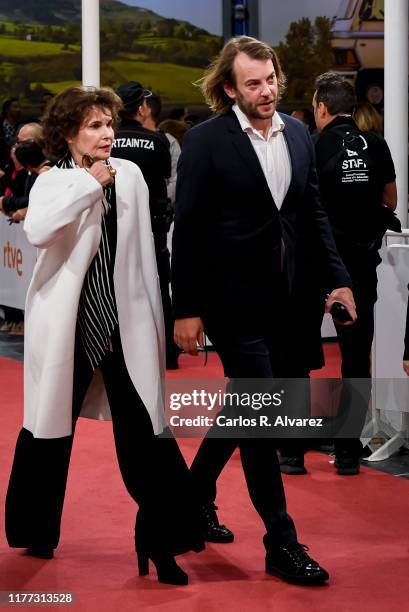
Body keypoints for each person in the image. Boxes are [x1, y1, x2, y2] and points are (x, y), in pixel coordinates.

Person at [171, 36, 356, 586]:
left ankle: (192, 497)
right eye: (253, 83)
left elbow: (311, 213)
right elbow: (190, 231)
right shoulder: (206, 142)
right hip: (231, 301)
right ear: (230, 89)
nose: (266, 90)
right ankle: (281, 541)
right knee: (263, 411)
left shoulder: (300, 133)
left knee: (247, 408)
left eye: (270, 79)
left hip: (289, 299)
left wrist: (339, 280)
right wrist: (186, 310)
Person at [5, 86, 203, 586]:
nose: (107, 133)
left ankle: (162, 542)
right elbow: (39, 231)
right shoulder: (55, 181)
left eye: (109, 124)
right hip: (67, 327)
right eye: (94, 125)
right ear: (68, 133)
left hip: (123, 325)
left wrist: (160, 321)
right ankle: (35, 529)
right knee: (47, 432)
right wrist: (89, 185)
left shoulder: (133, 176)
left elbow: (144, 255)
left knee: (146, 435)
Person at [282, 73, 397, 475]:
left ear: (321, 107)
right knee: (354, 359)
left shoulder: (308, 146)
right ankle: (348, 452)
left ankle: (292, 452)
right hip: (361, 265)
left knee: (297, 355)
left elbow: (294, 204)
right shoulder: (377, 145)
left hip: (314, 266)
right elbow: (391, 198)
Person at [112, 82, 179, 369]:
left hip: (115, 228)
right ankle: (167, 355)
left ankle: (118, 356)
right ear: (142, 108)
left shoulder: (107, 140)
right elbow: (166, 181)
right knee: (159, 289)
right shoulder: (160, 141)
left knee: (114, 290)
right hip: (154, 229)